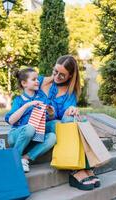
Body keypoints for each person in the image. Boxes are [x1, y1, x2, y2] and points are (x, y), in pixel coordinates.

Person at [37, 55, 100, 190]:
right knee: (62, 124)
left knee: (74, 120)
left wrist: (71, 109)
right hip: (39, 125)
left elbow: (66, 117)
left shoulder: (69, 93)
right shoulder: (40, 81)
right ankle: (77, 170)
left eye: (62, 75)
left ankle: (86, 167)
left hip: (57, 125)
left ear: (70, 76)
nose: (57, 76)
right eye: (55, 72)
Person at [4, 68, 56, 173]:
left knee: (52, 137)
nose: (38, 81)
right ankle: (15, 158)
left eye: (37, 78)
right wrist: (27, 105)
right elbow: (10, 120)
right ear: (24, 83)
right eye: (34, 79)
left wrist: (51, 113)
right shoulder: (19, 100)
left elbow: (46, 120)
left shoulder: (42, 98)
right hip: (16, 136)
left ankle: (25, 158)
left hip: (35, 137)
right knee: (29, 128)